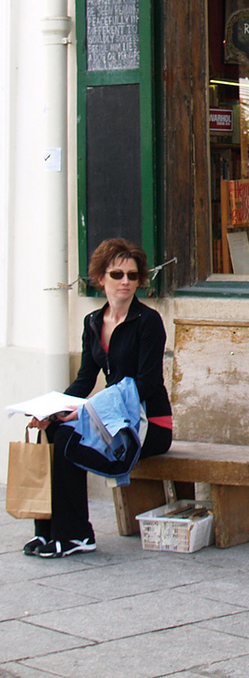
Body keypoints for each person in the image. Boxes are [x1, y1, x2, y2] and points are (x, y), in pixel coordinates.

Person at [25, 239, 173, 558]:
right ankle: (47, 531)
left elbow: (147, 384)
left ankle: (77, 535)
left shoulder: (148, 322)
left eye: (133, 276)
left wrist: (85, 413)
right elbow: (84, 380)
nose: (125, 282)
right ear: (100, 278)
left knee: (67, 439)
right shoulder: (93, 323)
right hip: (111, 419)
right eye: (117, 274)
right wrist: (50, 410)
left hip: (148, 424)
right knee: (50, 431)